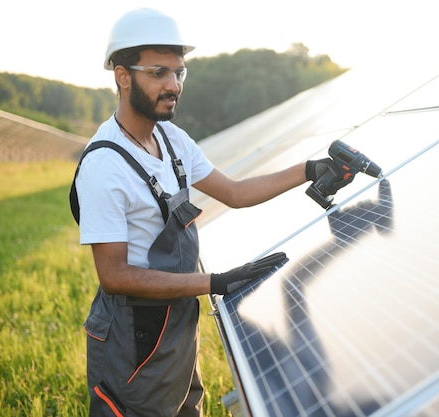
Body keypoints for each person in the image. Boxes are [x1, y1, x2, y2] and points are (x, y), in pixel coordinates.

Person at [70, 7, 354, 417]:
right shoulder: (104, 166)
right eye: (158, 73)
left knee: (188, 408)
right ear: (122, 75)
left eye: (179, 72)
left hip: (177, 321)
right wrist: (214, 281)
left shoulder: (171, 138)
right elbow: (114, 277)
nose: (173, 85)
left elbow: (234, 192)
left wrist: (308, 170)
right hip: (134, 338)